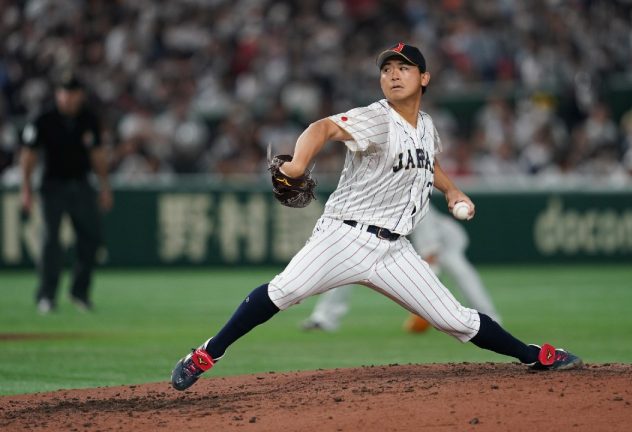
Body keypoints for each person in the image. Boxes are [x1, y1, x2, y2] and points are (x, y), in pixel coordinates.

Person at [171, 43, 582, 391]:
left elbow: (427, 164)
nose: (394, 74)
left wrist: (453, 190)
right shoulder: (377, 117)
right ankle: (206, 353)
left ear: (424, 78)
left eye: (404, 68)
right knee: (284, 292)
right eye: (387, 69)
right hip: (344, 237)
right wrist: (297, 165)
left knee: (454, 318)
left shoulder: (425, 125)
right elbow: (322, 128)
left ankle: (535, 356)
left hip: (395, 250)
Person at [300, 203, 502, 333]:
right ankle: (324, 318)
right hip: (396, 241)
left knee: (460, 271)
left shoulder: (414, 202)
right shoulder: (375, 201)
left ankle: (490, 319)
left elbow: (430, 256)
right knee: (349, 265)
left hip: (445, 239)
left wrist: (422, 311)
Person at [20, 73, 113, 314]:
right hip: (52, 185)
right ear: (57, 94)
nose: (68, 98)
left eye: (73, 93)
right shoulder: (43, 118)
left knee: (91, 239)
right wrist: (26, 189)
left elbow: (98, 156)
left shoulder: (89, 119)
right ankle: (46, 295)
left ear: (80, 95)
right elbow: (29, 156)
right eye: (64, 93)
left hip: (81, 184)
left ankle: (79, 292)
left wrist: (104, 187)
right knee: (52, 242)